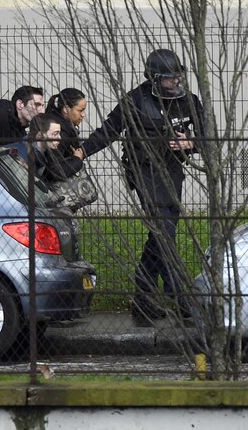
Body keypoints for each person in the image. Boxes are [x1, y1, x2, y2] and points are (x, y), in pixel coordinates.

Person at [81, 48, 204, 325]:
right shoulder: (135, 100)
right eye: (168, 79)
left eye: (177, 77)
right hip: (144, 172)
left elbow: (208, 138)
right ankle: (182, 300)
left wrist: (190, 143)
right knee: (164, 235)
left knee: (161, 236)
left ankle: (144, 300)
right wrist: (80, 152)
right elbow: (108, 131)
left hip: (172, 172)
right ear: (154, 78)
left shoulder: (189, 101)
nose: (174, 83)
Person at [42, 88, 87, 182]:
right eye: (80, 110)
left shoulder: (53, 121)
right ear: (66, 109)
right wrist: (77, 160)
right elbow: (54, 171)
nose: (83, 115)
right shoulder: (60, 134)